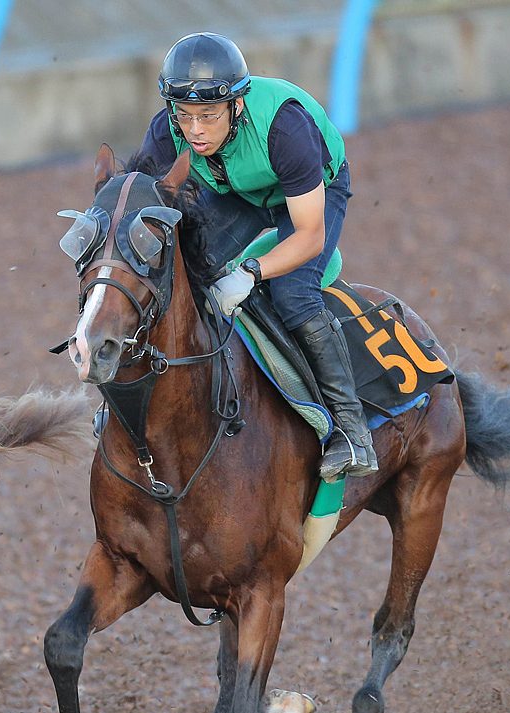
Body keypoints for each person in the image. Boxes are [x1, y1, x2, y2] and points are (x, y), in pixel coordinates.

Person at [137, 33, 377, 479]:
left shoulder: (286, 127)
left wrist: (249, 272)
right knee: (172, 271)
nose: (195, 131)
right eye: (184, 116)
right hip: (239, 193)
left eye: (209, 116)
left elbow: (307, 236)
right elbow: (146, 214)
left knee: (293, 294)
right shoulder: (164, 130)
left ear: (237, 105)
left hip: (309, 196)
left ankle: (353, 432)